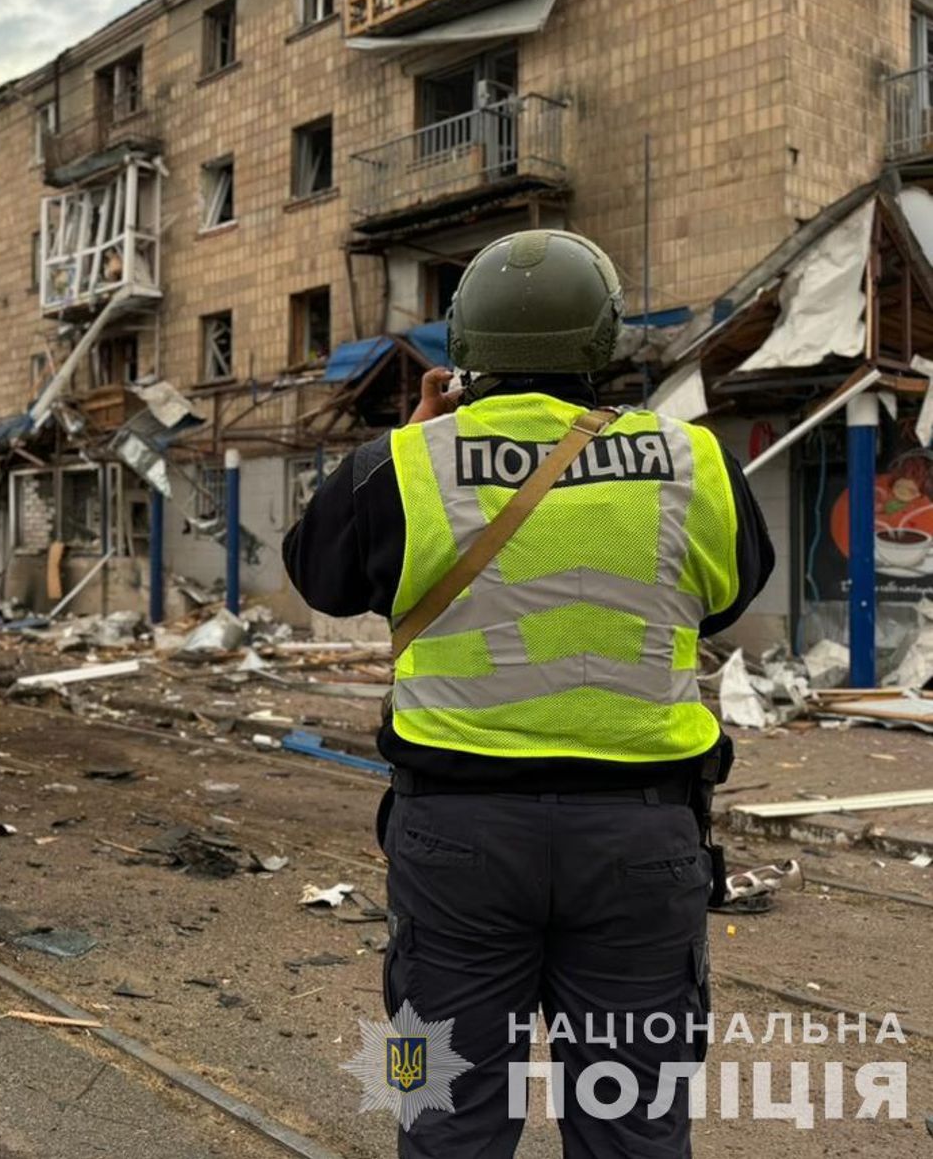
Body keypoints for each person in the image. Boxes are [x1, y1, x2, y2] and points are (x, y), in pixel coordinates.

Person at [284, 230, 773, 1157]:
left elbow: (318, 570)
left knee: (440, 1114)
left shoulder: (407, 463)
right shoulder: (694, 460)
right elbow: (731, 590)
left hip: (453, 848)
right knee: (638, 1125)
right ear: (605, 341)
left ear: (463, 347)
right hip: (643, 844)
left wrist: (423, 436)